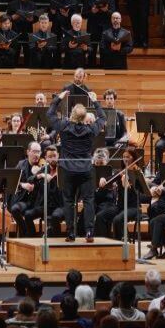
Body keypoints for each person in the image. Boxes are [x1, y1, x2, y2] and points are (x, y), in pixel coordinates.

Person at [45, 90, 104, 242]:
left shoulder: (64, 127)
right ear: (84, 117)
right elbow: (103, 117)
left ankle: (71, 233)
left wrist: (58, 98)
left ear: (72, 114)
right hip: (85, 170)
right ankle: (89, 232)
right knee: (89, 200)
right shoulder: (91, 129)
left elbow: (50, 114)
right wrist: (95, 101)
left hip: (68, 169)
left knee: (69, 201)